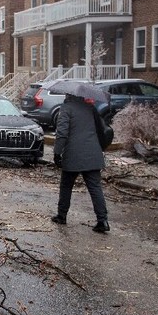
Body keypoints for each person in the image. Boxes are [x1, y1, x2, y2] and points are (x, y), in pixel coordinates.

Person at [52, 94, 110, 233]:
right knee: (95, 188)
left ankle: (62, 215)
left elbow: (62, 133)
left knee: (66, 185)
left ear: (68, 95)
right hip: (93, 153)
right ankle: (103, 220)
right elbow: (101, 129)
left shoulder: (66, 108)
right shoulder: (90, 108)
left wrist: (57, 152)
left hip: (73, 154)